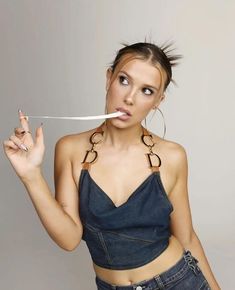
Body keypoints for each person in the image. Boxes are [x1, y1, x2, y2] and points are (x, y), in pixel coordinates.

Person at [3, 41, 221, 290]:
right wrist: (31, 176)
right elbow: (69, 239)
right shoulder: (70, 149)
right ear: (109, 79)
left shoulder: (172, 156)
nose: (129, 98)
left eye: (147, 91)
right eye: (124, 80)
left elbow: (187, 238)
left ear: (158, 100)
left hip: (178, 281)